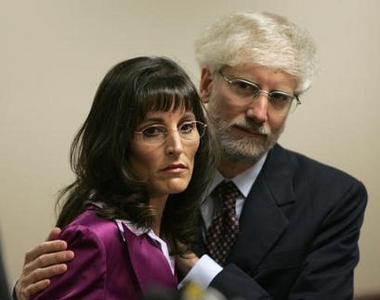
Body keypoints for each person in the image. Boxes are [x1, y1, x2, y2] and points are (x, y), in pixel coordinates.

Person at [14, 11, 367, 300]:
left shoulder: (333, 197)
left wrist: (196, 266)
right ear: (207, 84)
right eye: (245, 87)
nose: (260, 112)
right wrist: (26, 292)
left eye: (279, 98)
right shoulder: (147, 179)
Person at [22, 56, 217, 299]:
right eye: (152, 131)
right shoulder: (97, 237)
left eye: (186, 126)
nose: (176, 147)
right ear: (118, 143)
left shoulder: (165, 233)